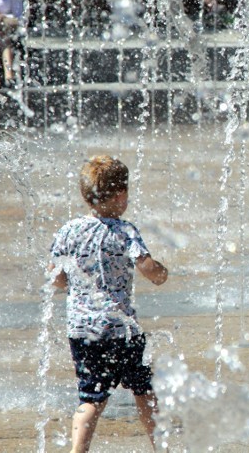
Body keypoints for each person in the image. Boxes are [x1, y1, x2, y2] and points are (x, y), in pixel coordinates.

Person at [48, 155, 168, 452]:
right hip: (121, 331)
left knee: (89, 399)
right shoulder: (125, 230)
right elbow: (148, 268)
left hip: (82, 332)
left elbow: (55, 278)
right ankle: (161, 447)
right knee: (144, 391)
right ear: (120, 195)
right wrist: (161, 273)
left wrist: (75, 287)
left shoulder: (68, 231)